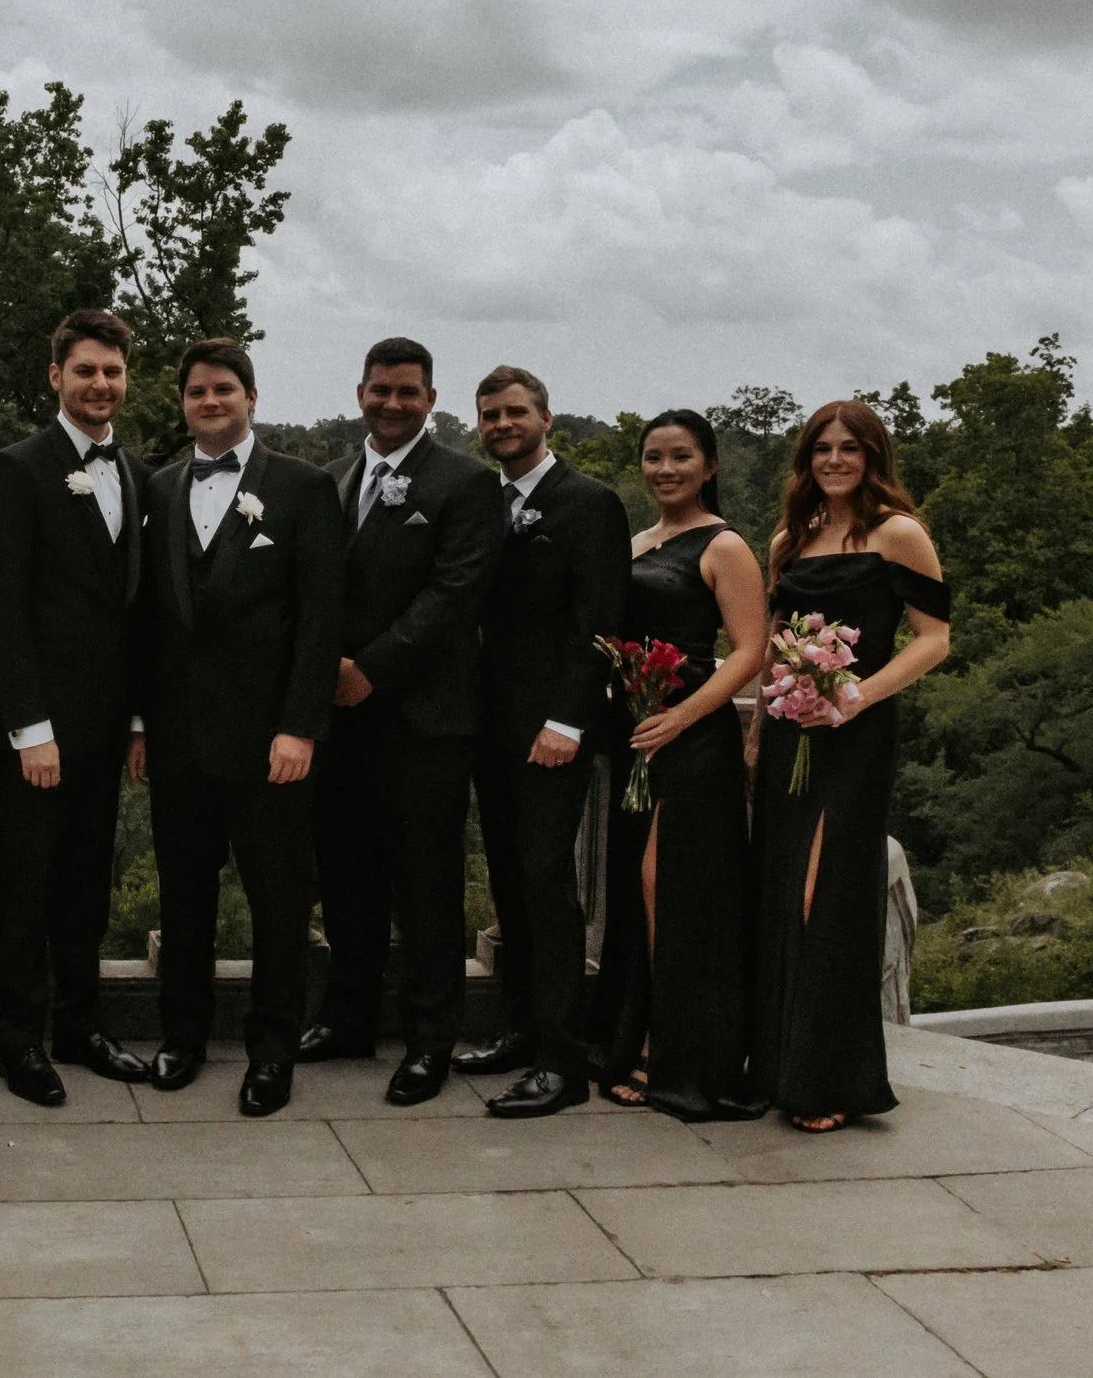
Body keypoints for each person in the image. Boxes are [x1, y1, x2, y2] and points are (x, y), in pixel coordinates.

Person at [134, 339, 344, 1117]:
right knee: (184, 897)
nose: (210, 401)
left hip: (271, 744)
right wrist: (139, 721)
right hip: (180, 738)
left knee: (279, 903)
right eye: (196, 392)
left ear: (251, 396)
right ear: (183, 403)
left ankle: (270, 1051)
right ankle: (182, 1037)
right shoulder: (157, 487)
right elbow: (148, 622)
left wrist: (300, 727)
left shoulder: (302, 486)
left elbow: (321, 619)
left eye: (224, 388)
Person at [302, 338, 503, 1106]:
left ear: (430, 397)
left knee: (425, 886)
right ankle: (349, 1019)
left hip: (424, 722)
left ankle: (428, 1041)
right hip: (338, 721)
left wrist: (371, 670)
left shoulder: (464, 483)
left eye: (408, 392)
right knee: (347, 878)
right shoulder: (333, 478)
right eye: (381, 390)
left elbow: (453, 596)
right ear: (360, 392)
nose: (393, 403)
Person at [751, 399, 950, 1132]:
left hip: (856, 734)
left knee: (825, 893)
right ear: (806, 459)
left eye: (850, 448)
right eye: (822, 448)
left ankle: (831, 1076)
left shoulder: (898, 533)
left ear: (873, 456)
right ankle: (780, 1068)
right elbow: (775, 641)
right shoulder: (788, 539)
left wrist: (858, 693)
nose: (834, 459)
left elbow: (935, 638)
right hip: (784, 734)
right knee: (779, 893)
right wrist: (758, 730)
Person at [0, 309, 155, 1106]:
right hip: (40, 726)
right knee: (26, 882)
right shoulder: (18, 468)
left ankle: (81, 1027)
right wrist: (30, 727)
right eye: (85, 370)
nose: (100, 384)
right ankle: (19, 1040)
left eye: (112, 372)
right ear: (56, 376)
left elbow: (143, 613)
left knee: (89, 880)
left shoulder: (142, 474)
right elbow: (1, 608)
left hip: (112, 722)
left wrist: (140, 721)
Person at [458, 365, 629, 1121]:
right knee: (510, 884)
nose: (502, 423)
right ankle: (521, 1030)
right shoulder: (483, 501)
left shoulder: (588, 502)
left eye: (515, 411)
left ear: (547, 418)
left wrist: (568, 721)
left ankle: (563, 1060)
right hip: (487, 727)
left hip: (551, 732)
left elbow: (600, 623)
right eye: (491, 414)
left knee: (548, 887)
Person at [587, 409, 768, 1121]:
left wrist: (682, 717)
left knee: (678, 890)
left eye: (681, 457)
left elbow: (751, 650)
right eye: (654, 457)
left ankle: (686, 1052)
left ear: (710, 465)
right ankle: (634, 1035)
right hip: (639, 732)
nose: (666, 469)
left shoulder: (726, 545)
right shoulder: (633, 544)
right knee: (635, 887)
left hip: (693, 737)